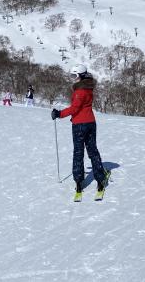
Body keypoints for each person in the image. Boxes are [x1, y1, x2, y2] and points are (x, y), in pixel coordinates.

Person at [51, 64, 110, 196]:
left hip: (79, 125)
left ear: (81, 76)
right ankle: (100, 177)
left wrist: (59, 114)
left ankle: (79, 181)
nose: (73, 79)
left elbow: (74, 109)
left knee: (78, 152)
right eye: (71, 76)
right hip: (90, 123)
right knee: (92, 150)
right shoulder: (89, 88)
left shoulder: (80, 91)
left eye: (75, 76)